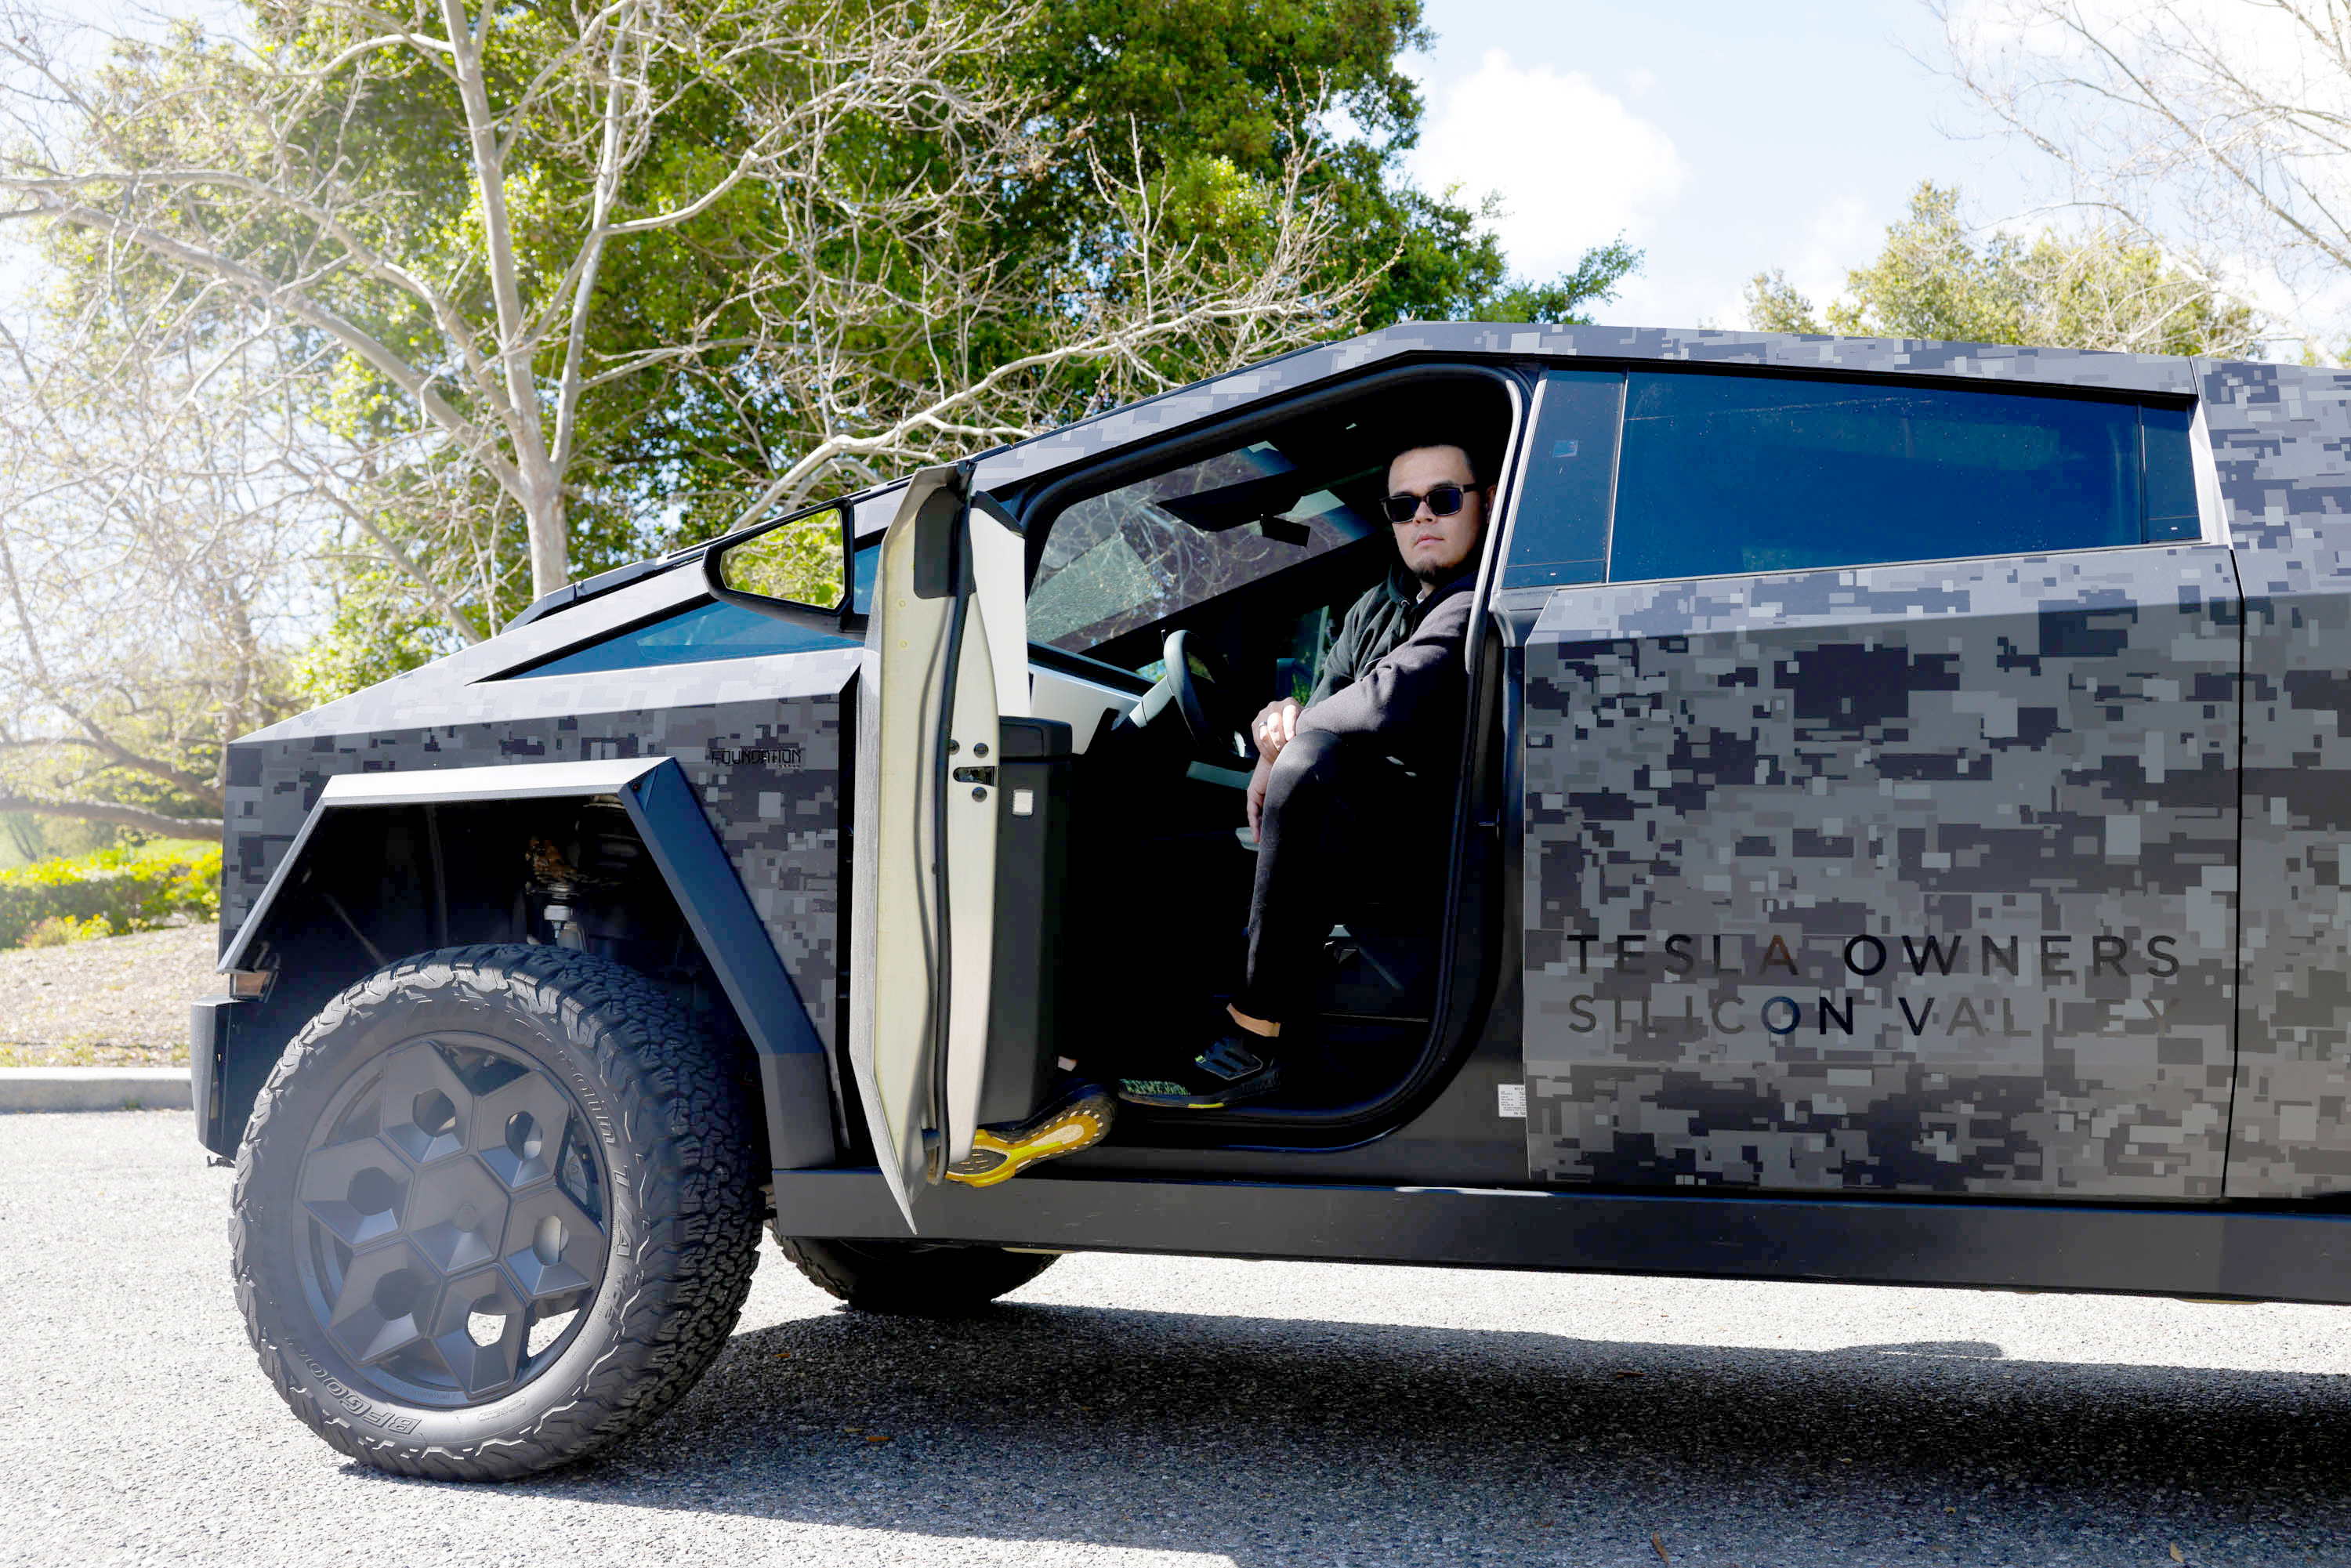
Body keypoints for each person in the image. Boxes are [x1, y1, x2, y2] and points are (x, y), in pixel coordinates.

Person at [1116, 436, 1493, 1109]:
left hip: (1426, 861)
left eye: (1443, 498)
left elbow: (1381, 703)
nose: (1423, 517)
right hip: (1340, 846)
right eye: (1404, 505)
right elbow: (1324, 701)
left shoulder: (1477, 604)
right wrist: (1275, 744)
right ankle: (1093, 1057)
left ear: (1483, 503)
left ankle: (1255, 1041)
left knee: (1311, 759)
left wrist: (1288, 749)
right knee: (1158, 865)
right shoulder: (1376, 606)